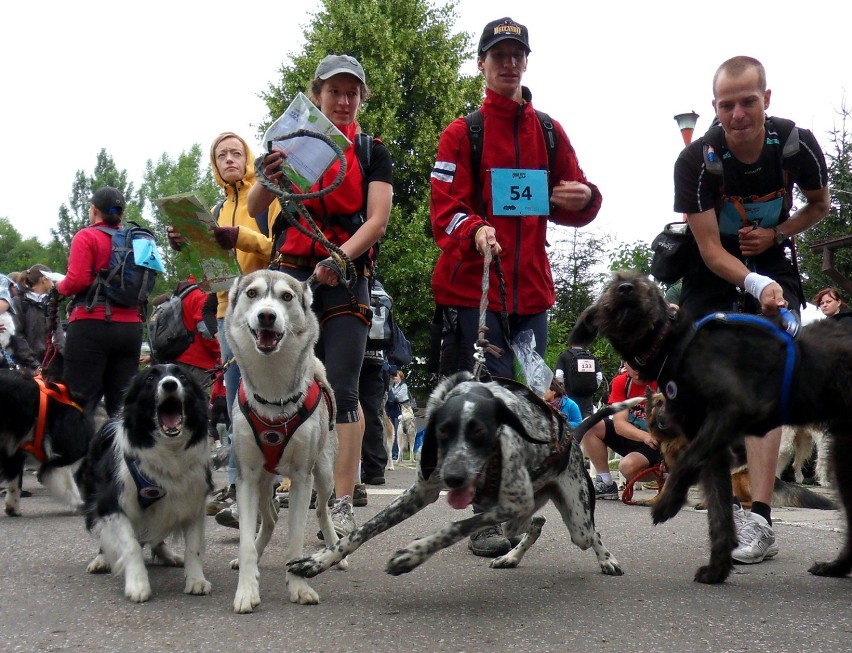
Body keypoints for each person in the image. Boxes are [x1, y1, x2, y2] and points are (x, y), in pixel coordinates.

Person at [429, 17, 602, 557]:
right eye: (497, 54)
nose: (508, 63)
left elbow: (580, 197)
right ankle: (486, 513)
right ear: (482, 63)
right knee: (486, 401)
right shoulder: (463, 132)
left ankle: (513, 504)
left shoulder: (548, 131)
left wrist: (585, 199)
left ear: (526, 62)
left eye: (516, 54)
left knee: (527, 404)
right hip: (471, 294)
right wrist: (474, 229)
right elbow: (443, 212)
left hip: (532, 297)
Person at [673, 56, 830, 564]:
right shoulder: (695, 161)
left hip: (773, 257)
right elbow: (709, 249)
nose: (737, 114)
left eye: (748, 101)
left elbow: (819, 204)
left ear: (767, 99)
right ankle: (714, 489)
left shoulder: (796, 144)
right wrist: (752, 280)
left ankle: (759, 517)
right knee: (697, 375)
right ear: (715, 107)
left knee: (765, 380)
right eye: (726, 105)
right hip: (713, 269)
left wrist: (777, 235)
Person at [248, 54, 393, 537]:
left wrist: (340, 260)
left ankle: (342, 501)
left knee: (343, 388)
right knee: (279, 383)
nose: (345, 100)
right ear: (317, 95)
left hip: (346, 273)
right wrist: (267, 175)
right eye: (335, 91)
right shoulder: (288, 146)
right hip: (291, 272)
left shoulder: (372, 151)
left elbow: (376, 220)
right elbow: (254, 207)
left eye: (353, 92)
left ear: (361, 98)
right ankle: (270, 493)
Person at [167, 131, 272, 527]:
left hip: (262, 311)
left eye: (236, 152)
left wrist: (239, 235)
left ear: (247, 157)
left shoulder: (264, 198)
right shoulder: (214, 206)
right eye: (221, 154)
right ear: (214, 164)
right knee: (234, 407)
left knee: (264, 402)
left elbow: (275, 246)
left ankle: (268, 487)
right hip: (229, 310)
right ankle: (236, 488)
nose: (229, 159)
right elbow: (212, 268)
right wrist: (187, 243)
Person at [56, 187, 144, 422]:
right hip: (130, 330)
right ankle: (121, 457)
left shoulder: (86, 236)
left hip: (91, 326)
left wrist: (59, 288)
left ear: (94, 210)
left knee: (79, 401)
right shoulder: (135, 240)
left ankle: (80, 456)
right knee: (123, 406)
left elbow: (77, 281)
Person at [582, 362, 661, 500]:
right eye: (631, 363)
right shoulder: (622, 382)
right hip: (638, 436)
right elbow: (619, 424)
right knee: (590, 424)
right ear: (625, 363)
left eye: (639, 362)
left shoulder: (663, 383)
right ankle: (605, 483)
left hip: (658, 442)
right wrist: (644, 436)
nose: (636, 367)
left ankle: (668, 475)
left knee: (627, 467)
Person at [9, 264, 65, 378]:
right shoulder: (18, 302)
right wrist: (34, 365)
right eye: (51, 280)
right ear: (44, 279)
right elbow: (17, 336)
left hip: (51, 366)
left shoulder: (51, 304)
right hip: (26, 368)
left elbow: (58, 336)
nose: (53, 284)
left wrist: (68, 358)